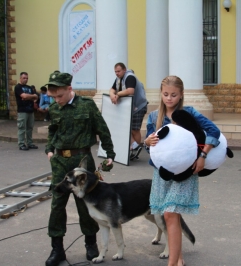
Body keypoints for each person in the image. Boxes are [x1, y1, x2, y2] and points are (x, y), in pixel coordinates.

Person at [144, 75, 220, 266]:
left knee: (170, 213)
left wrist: (203, 156)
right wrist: (147, 142)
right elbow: (149, 146)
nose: (169, 98)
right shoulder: (154, 116)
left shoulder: (189, 113)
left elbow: (214, 131)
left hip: (186, 172)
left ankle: (172, 263)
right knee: (172, 215)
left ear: (181, 95)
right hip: (163, 173)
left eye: (174, 95)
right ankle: (178, 257)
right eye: (166, 94)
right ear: (161, 94)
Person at [44, 71, 116, 266]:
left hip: (82, 160)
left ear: (69, 89)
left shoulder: (86, 105)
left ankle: (90, 244)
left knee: (87, 204)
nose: (57, 100)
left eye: (60, 96)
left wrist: (110, 154)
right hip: (60, 161)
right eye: (54, 97)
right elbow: (53, 130)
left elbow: (102, 129)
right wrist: (49, 149)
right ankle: (57, 249)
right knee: (57, 205)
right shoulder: (54, 107)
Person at [109, 62, 148, 160]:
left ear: (124, 70)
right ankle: (135, 147)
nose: (117, 73)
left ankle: (135, 152)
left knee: (135, 130)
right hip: (129, 107)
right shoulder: (119, 79)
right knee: (125, 127)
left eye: (118, 71)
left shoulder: (130, 77)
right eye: (115, 72)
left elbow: (130, 91)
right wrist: (112, 95)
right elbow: (111, 89)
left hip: (138, 107)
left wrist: (117, 94)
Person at [14, 72, 38, 151]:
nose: (26, 79)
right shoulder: (18, 87)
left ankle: (30, 143)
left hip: (30, 111)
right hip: (22, 111)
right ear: (20, 78)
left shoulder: (30, 87)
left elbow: (36, 97)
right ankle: (21, 144)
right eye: (24, 78)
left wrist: (28, 97)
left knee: (30, 128)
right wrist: (29, 96)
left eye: (27, 78)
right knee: (22, 128)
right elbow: (23, 96)